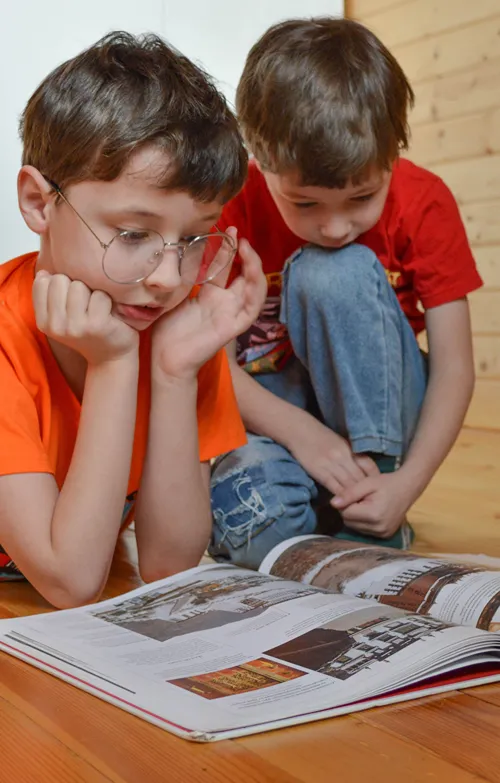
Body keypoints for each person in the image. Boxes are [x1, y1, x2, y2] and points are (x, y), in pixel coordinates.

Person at [0, 32, 266, 607]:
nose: (168, 277)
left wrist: (171, 373)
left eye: (194, 238)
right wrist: (116, 365)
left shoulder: (171, 327)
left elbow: (171, 564)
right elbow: (70, 581)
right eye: (133, 234)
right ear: (39, 203)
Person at [209, 18, 482, 568]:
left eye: (363, 197)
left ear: (393, 154)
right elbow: (207, 365)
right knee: (249, 522)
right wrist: (303, 435)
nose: (335, 227)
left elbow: (455, 367)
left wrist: (405, 484)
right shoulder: (228, 205)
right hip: (275, 418)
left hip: (378, 425)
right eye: (304, 203)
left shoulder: (425, 202)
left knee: (330, 270)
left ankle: (372, 503)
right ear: (258, 160)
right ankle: (334, 521)